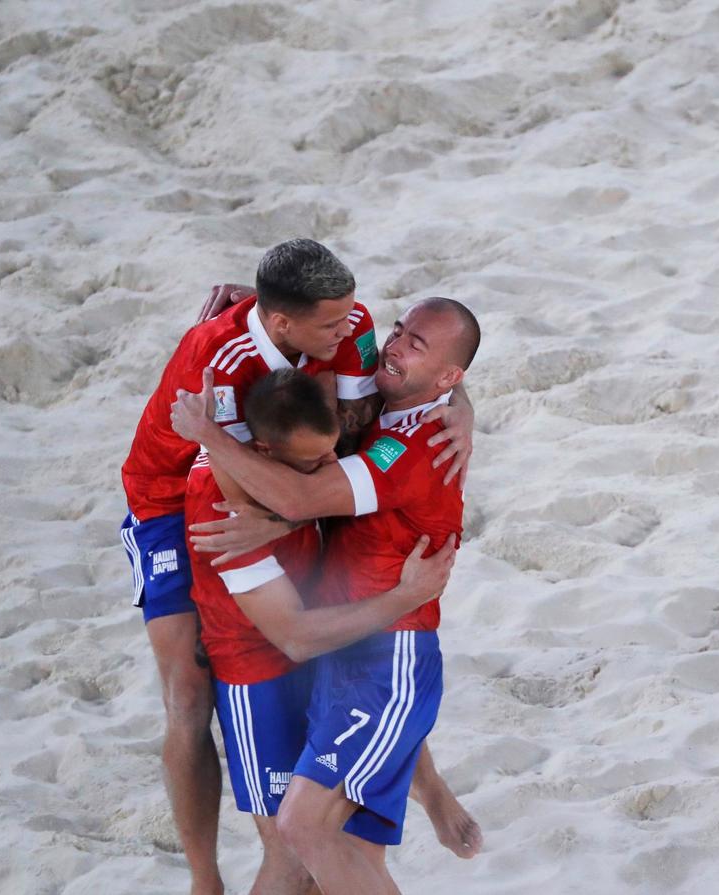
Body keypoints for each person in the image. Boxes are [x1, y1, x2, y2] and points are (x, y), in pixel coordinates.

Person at [119, 240, 474, 894]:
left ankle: (407, 796)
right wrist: (305, 519)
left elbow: (427, 369)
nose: (358, 329)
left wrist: (462, 409)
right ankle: (205, 880)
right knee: (191, 693)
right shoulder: (217, 371)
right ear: (284, 324)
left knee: (334, 705)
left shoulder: (349, 328)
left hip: (274, 504)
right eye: (335, 323)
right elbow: (246, 493)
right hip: (170, 500)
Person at [186, 368, 459, 895]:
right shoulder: (217, 502)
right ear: (264, 452)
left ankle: (432, 790)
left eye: (333, 449)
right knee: (293, 858)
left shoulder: (300, 458)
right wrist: (405, 596)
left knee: (338, 848)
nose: (331, 465)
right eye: (314, 461)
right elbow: (296, 636)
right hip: (261, 678)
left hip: (325, 659)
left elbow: (436, 368)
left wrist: (461, 407)